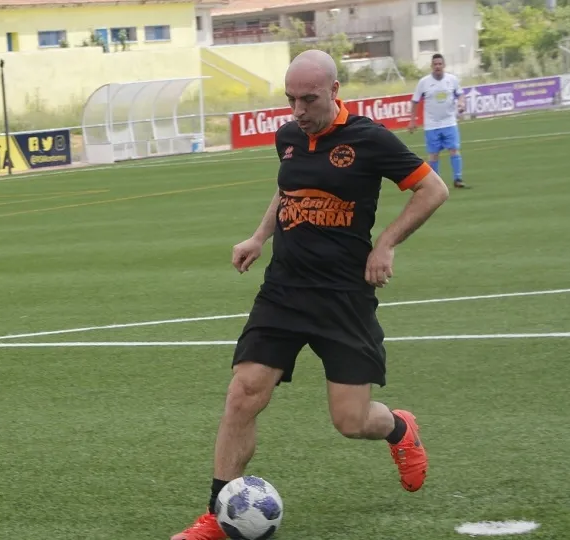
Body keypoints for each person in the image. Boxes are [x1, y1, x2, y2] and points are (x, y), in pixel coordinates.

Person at [170, 50, 450, 540]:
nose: (297, 111)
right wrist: (259, 237)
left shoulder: (369, 139)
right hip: (285, 289)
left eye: (308, 99)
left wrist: (385, 244)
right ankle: (217, 515)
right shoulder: (288, 137)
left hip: (344, 296)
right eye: (290, 99)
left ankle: (399, 428)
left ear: (335, 90)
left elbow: (432, 190)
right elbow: (288, 189)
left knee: (351, 420)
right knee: (243, 393)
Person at [409, 53, 468, 188]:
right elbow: (415, 101)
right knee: (433, 155)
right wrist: (412, 120)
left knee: (454, 150)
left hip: (449, 122)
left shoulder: (452, 80)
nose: (437, 66)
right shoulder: (424, 82)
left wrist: (461, 104)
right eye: (435, 64)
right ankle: (435, 184)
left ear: (444, 65)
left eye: (440, 64)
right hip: (431, 125)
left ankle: (458, 179)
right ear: (431, 66)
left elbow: (460, 95)